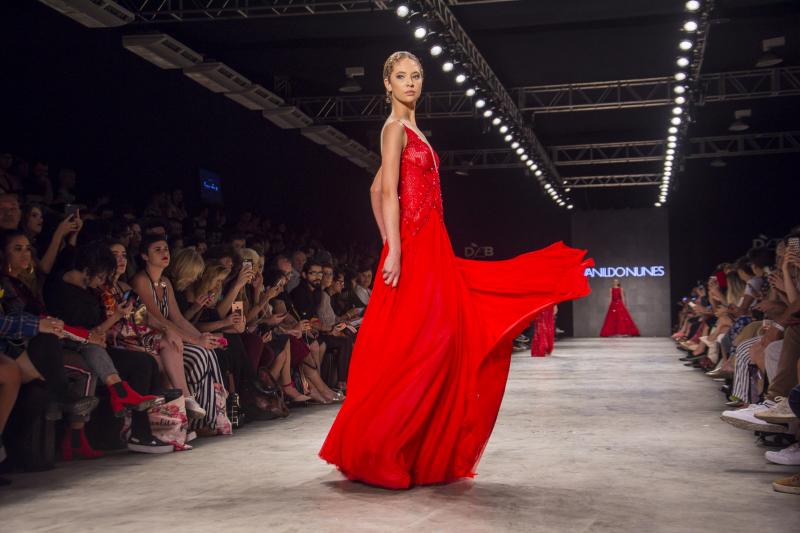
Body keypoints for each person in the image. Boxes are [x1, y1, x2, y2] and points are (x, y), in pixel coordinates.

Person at [319, 51, 592, 489]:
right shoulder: (393, 128)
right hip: (416, 248)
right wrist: (393, 247)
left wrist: (393, 239)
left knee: (442, 337)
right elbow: (386, 192)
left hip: (433, 245)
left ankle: (416, 451)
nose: (410, 83)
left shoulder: (413, 130)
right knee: (423, 344)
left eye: (416, 76)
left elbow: (373, 188)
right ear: (387, 84)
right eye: (401, 77)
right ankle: (383, 450)